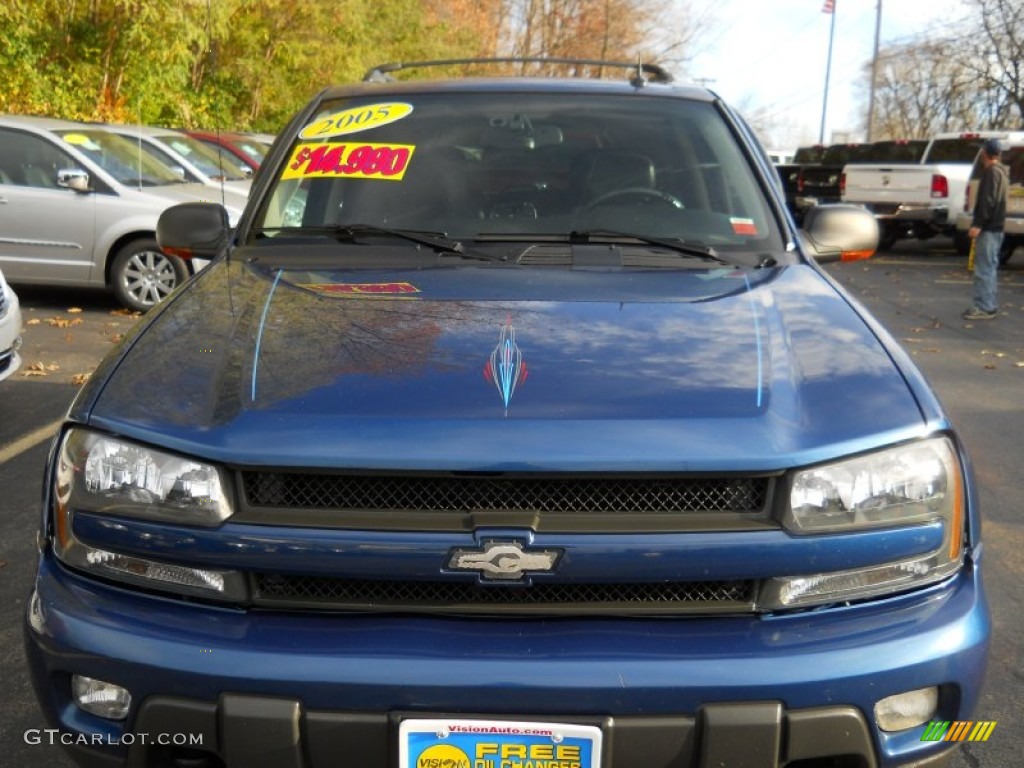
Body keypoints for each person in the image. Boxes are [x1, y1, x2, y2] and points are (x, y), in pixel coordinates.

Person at [963, 138, 1008, 321]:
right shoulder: (1002, 172)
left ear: (985, 153)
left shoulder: (991, 173)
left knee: (984, 269)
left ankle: (984, 307)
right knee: (990, 267)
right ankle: (989, 304)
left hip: (988, 229)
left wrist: (978, 225)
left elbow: (988, 201)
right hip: (996, 227)